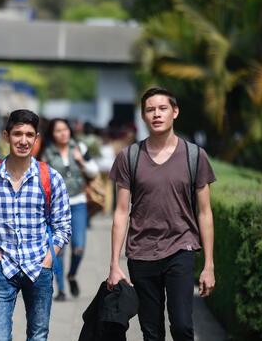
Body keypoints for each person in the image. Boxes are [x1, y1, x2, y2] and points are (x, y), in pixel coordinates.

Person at [106, 87, 216, 341]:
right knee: (151, 332)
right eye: (150, 110)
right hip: (141, 253)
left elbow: (205, 212)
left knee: (182, 327)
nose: (157, 114)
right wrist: (114, 264)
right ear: (143, 116)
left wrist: (208, 265)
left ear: (174, 112)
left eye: (162, 108)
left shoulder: (194, 156)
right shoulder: (129, 156)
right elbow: (121, 212)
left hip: (181, 248)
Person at [0, 109, 71, 341]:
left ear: (37, 138)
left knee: (38, 335)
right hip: (2, 267)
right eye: (17, 134)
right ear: (6, 136)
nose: (23, 141)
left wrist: (48, 260)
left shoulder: (50, 177)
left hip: (39, 268)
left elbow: (63, 226)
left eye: (29, 135)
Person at [40, 118, 99, 301]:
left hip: (78, 202)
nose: (62, 133)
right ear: (52, 134)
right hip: (55, 205)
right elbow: (42, 177)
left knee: (79, 246)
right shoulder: (47, 152)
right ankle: (61, 289)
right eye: (58, 130)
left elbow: (94, 172)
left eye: (65, 129)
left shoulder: (79, 147)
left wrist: (81, 161)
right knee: (58, 248)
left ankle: (72, 274)